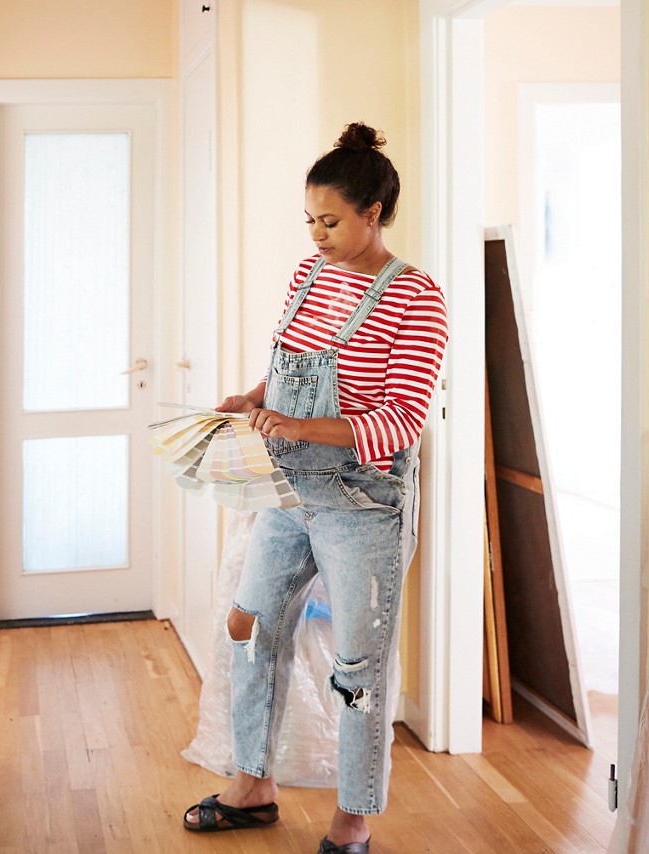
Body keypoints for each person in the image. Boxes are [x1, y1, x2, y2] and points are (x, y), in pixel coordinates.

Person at [182, 123, 449, 854]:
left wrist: (297, 429)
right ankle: (254, 783)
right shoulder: (308, 277)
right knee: (248, 626)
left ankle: (353, 817)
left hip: (364, 507)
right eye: (310, 220)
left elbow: (398, 422)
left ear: (374, 213)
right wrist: (250, 398)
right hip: (291, 492)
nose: (317, 235)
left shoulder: (417, 297)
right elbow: (290, 372)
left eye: (330, 221)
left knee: (358, 669)